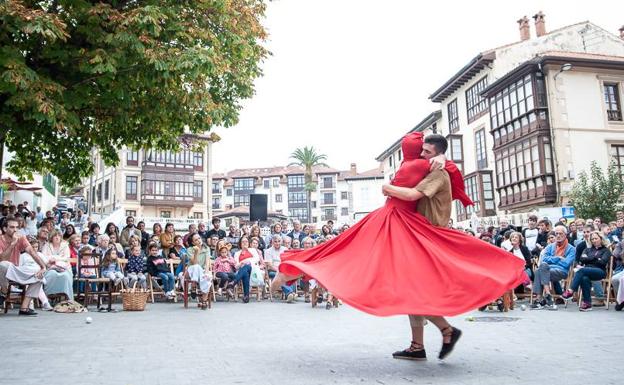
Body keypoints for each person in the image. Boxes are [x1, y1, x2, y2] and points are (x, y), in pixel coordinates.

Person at [272, 132, 525, 361]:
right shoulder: (431, 166)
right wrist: (440, 159)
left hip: (427, 237)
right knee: (413, 291)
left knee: (417, 290)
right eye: (421, 150)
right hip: (420, 236)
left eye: (427, 151)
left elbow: (413, 195)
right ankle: (426, 341)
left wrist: (387, 187)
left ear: (435, 152)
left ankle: (441, 333)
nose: (422, 155)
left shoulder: (437, 172)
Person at [0, 217, 47, 315]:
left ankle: (24, 307)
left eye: (17, 227)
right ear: (4, 229)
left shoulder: (21, 238)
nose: (15, 230)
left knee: (39, 274)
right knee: (3, 264)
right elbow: (2, 259)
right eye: (12, 227)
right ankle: (3, 292)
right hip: (3, 271)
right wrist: (13, 243)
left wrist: (43, 267)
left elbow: (32, 252)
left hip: (16, 269)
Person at [562, 231, 611, 311]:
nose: (594, 241)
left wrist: (589, 259)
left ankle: (571, 291)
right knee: (584, 278)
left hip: (599, 271)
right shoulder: (587, 249)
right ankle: (587, 303)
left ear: (601, 239)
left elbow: (602, 262)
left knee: (581, 270)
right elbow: (582, 259)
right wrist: (596, 259)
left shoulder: (606, 251)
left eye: (596, 238)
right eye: (592, 239)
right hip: (587, 270)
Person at [531, 225, 575, 310]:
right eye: (556, 233)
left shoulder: (571, 249)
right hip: (547, 270)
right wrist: (558, 258)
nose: (558, 236)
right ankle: (547, 295)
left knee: (540, 270)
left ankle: (539, 299)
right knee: (541, 268)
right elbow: (544, 259)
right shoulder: (550, 246)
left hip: (561, 271)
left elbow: (566, 263)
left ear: (565, 235)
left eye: (560, 234)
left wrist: (551, 261)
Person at [41, 229, 74, 300]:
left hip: (64, 268)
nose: (57, 237)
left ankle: (67, 298)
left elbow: (66, 258)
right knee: (51, 274)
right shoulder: (47, 245)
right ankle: (48, 297)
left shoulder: (65, 245)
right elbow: (43, 257)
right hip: (50, 268)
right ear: (51, 237)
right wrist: (54, 259)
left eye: (59, 235)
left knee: (65, 276)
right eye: (55, 236)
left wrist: (55, 259)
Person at [227, 236, 262, 303]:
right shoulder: (237, 253)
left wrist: (246, 261)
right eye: (243, 242)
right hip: (242, 271)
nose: (245, 243)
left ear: (248, 243)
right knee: (245, 272)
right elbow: (236, 266)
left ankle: (234, 281)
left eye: (246, 241)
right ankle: (246, 296)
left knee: (246, 267)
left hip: (253, 270)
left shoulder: (253, 250)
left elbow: (257, 259)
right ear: (240, 244)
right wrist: (241, 264)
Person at [185, 234, 212, 309]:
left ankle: (204, 300)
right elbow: (194, 263)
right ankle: (194, 285)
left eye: (199, 238)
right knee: (196, 267)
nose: (199, 240)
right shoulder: (190, 249)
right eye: (196, 240)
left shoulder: (206, 248)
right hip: (191, 271)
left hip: (202, 271)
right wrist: (196, 252)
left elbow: (207, 262)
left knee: (207, 277)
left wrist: (206, 272)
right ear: (193, 243)